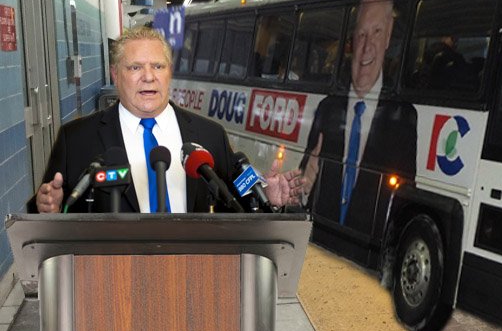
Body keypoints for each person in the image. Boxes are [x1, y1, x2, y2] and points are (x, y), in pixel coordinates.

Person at [29, 27, 302, 214]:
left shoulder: (210, 135)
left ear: (169, 72)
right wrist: (45, 207)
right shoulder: (76, 139)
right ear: (115, 74)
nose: (148, 77)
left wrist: (267, 197)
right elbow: (44, 206)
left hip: (193, 278)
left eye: (158, 66)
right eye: (135, 67)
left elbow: (236, 200)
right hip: (113, 282)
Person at [300, 0, 417, 232]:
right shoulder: (327, 109)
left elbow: (405, 199)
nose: (366, 48)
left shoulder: (405, 118)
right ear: (352, 38)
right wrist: (303, 187)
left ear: (388, 34)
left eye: (376, 32)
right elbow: (305, 182)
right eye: (362, 34)